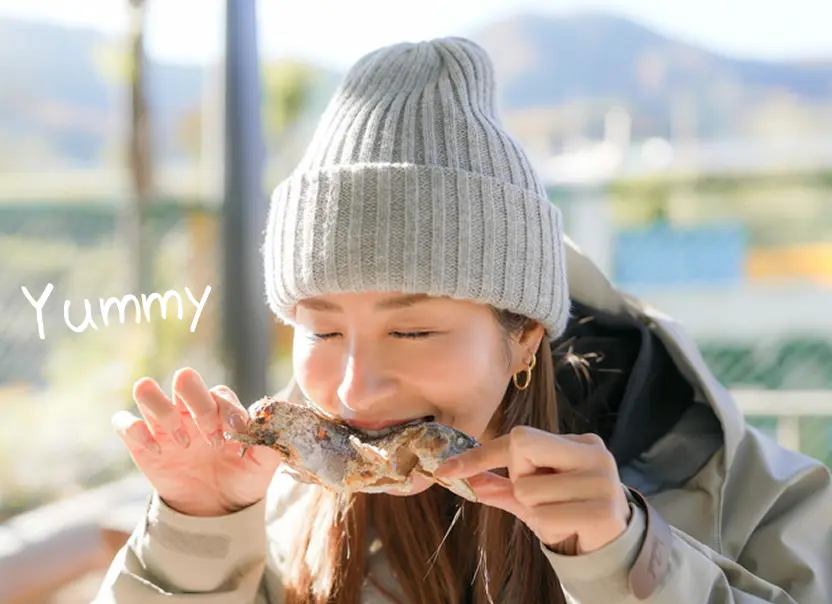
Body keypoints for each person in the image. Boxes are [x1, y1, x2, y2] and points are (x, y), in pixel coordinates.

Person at [94, 37, 832, 603]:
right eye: (320, 331)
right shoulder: (277, 506)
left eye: (411, 331)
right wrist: (197, 529)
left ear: (522, 338)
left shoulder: (754, 497)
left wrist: (627, 559)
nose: (355, 390)